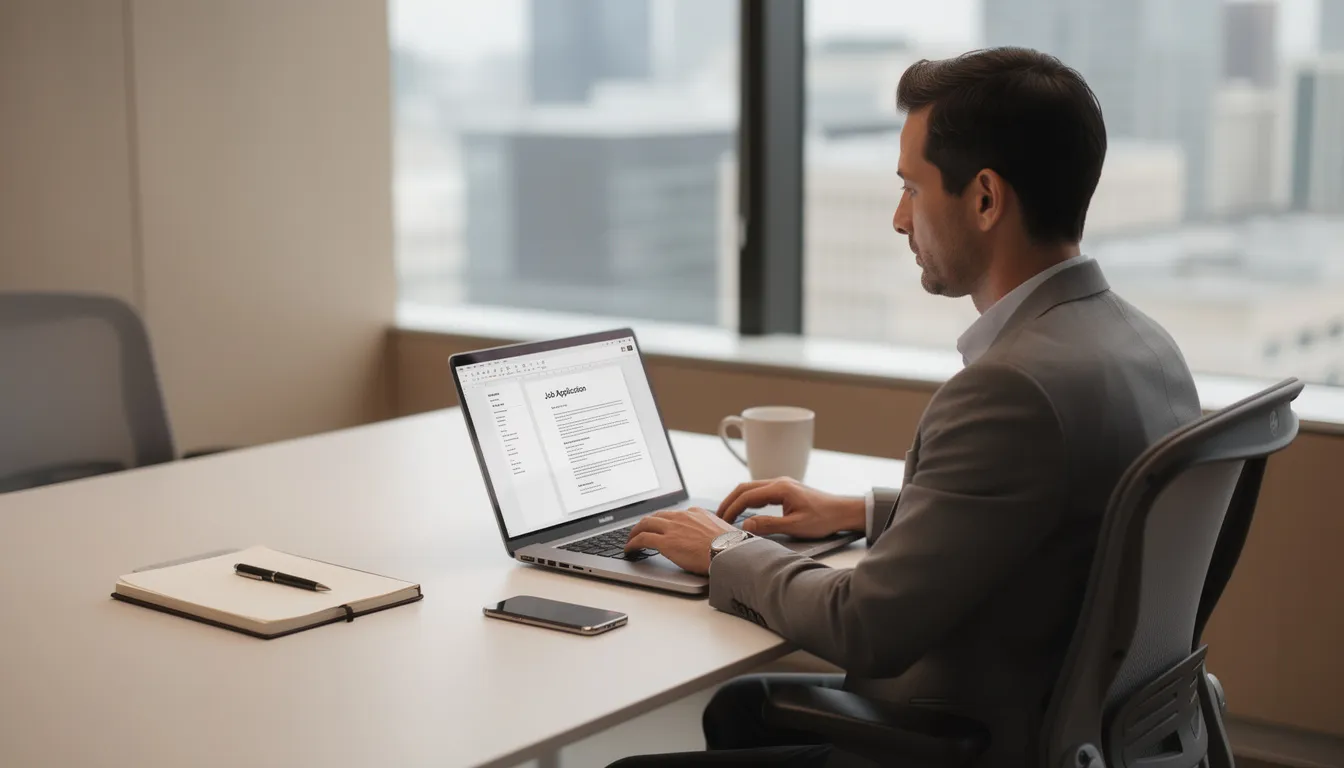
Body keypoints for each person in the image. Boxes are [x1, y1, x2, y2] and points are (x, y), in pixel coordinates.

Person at [608, 46, 1202, 768]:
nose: (898, 219)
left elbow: (865, 627)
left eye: (911, 190)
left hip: (981, 737)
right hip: (1088, 723)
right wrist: (862, 513)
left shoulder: (1013, 388)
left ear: (985, 198)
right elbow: (1059, 518)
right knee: (740, 710)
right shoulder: (1147, 347)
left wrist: (726, 547)